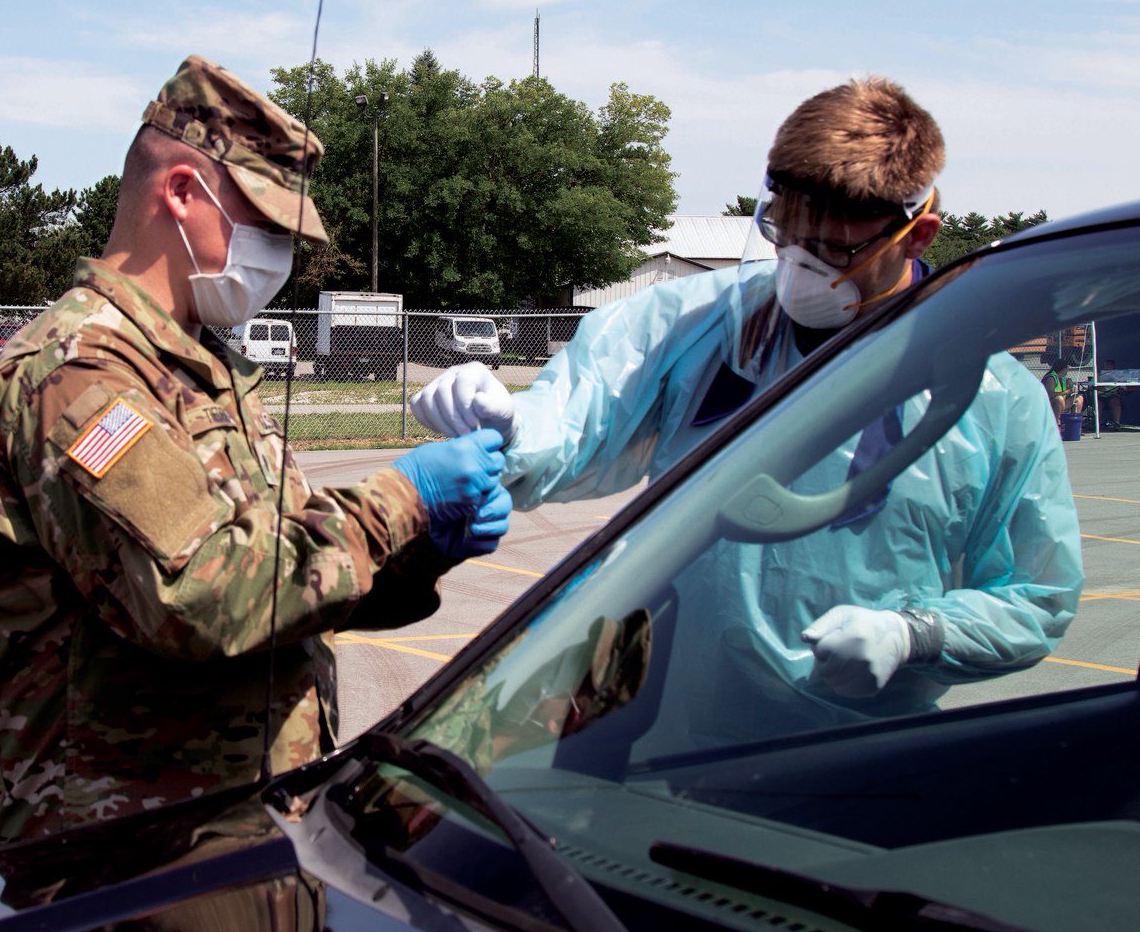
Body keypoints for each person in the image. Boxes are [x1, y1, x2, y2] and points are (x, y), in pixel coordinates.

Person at [0, 55, 512, 859]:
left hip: (222, 839)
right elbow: (202, 594)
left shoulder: (208, 374)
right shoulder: (75, 377)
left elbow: (281, 586)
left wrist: (419, 550)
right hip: (87, 865)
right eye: (268, 227)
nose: (279, 255)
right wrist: (400, 499)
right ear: (181, 192)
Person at [412, 76, 1082, 734]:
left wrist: (918, 634)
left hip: (850, 749)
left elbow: (1037, 597)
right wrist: (511, 424)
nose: (797, 265)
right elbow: (580, 423)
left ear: (918, 234)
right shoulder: (697, 323)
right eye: (784, 234)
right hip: (652, 726)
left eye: (832, 249)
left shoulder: (991, 400)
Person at [1042, 356, 1083, 423]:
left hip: (1063, 402)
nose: (1067, 370)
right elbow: (1049, 394)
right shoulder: (1051, 378)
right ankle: (1056, 424)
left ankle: (1074, 424)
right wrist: (1066, 392)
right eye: (1067, 368)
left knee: (1079, 398)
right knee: (1059, 399)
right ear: (1063, 369)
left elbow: (1065, 391)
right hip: (1050, 403)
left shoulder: (1063, 378)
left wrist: (1071, 388)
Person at [1095, 357, 1125, 431]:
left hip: (1113, 395)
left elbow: (1123, 388)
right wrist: (1098, 386)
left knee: (1116, 403)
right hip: (1100, 395)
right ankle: (1096, 423)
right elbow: (1092, 385)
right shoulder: (1099, 374)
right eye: (1106, 366)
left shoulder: (1119, 375)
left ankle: (1116, 423)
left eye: (1110, 365)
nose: (1108, 367)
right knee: (1098, 404)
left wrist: (1120, 389)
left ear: (1113, 366)